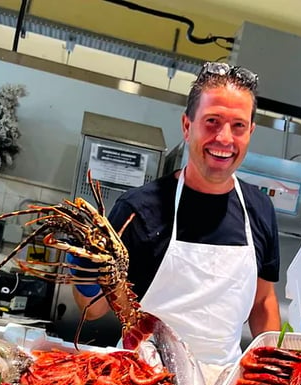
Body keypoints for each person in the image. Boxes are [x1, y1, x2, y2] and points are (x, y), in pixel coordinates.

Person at [72, 61, 281, 366]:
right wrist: (85, 268)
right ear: (187, 126)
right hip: (142, 380)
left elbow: (262, 302)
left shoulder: (260, 210)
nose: (224, 138)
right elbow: (93, 310)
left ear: (250, 131)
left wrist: (273, 366)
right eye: (212, 121)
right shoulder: (137, 210)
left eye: (238, 126)